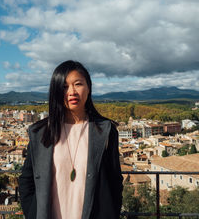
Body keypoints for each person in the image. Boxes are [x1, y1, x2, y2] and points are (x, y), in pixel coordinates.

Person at [19, 60, 123, 219]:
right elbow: (27, 180)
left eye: (78, 84)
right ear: (56, 92)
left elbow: (115, 182)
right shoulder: (40, 133)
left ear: (88, 88)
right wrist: (33, 213)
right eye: (64, 86)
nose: (72, 91)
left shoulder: (105, 131)